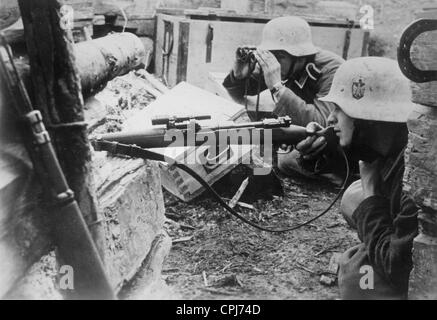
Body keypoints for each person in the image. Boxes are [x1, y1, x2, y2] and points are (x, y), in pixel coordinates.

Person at [296, 56, 419, 299]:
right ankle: (381, 239)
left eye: (340, 110)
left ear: (369, 118)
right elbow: (358, 150)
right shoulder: (393, 143)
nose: (330, 119)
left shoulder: (414, 183)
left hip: (412, 267)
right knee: (353, 197)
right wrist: (320, 148)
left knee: (358, 276)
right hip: (402, 233)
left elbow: (398, 268)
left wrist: (372, 194)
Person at [222, 16, 345, 181]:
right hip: (311, 130)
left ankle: (340, 173)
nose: (272, 62)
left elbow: (323, 123)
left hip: (339, 137)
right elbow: (240, 96)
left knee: (287, 161)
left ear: (300, 56)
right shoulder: (288, 64)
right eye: (269, 55)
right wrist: (239, 76)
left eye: (278, 56)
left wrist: (277, 87)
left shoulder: (333, 70)